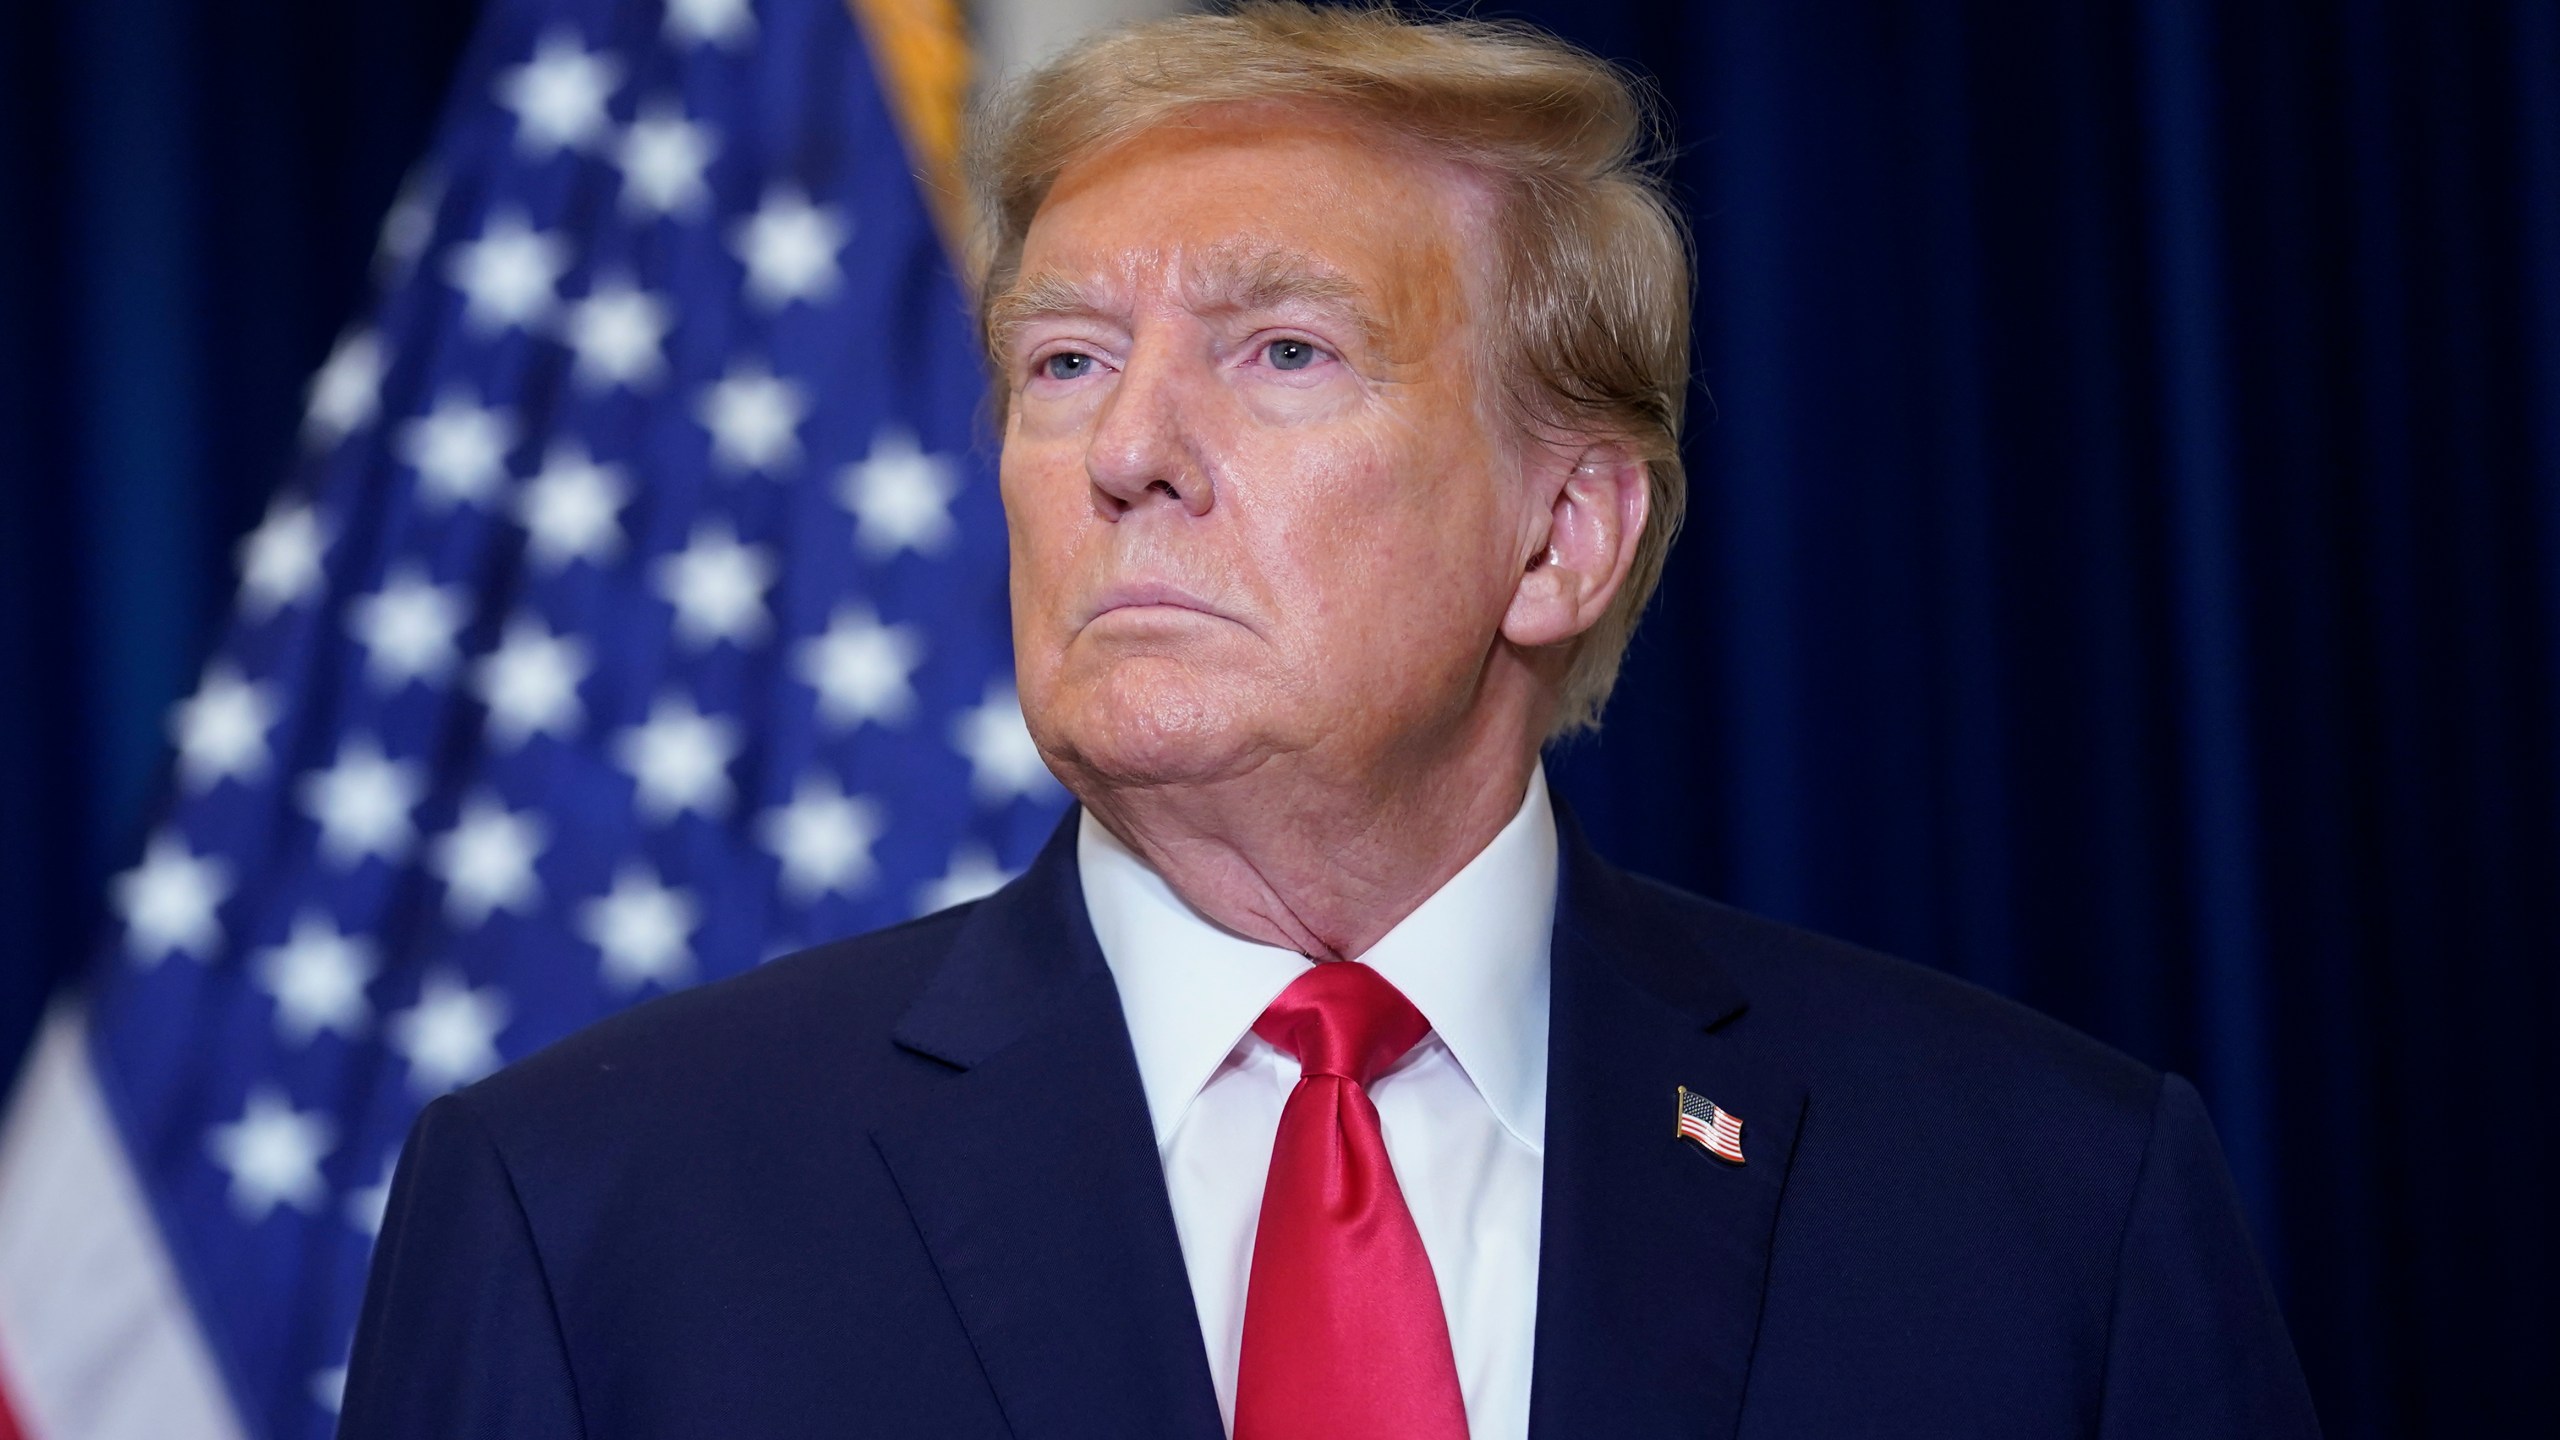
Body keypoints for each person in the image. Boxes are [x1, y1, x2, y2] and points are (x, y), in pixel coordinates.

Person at [339, 6, 2321, 1437]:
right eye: (1065, 361)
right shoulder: (592, 1213)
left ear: (1557, 534)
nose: (1126, 451)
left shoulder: (2045, 1205)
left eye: (1279, 351)